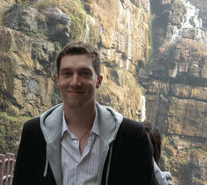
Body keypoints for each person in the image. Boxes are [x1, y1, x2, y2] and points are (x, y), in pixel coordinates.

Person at [13, 41, 158, 185]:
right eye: (67, 73)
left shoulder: (131, 136)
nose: (75, 82)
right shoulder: (34, 133)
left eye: (84, 73)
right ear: (58, 80)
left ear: (98, 81)